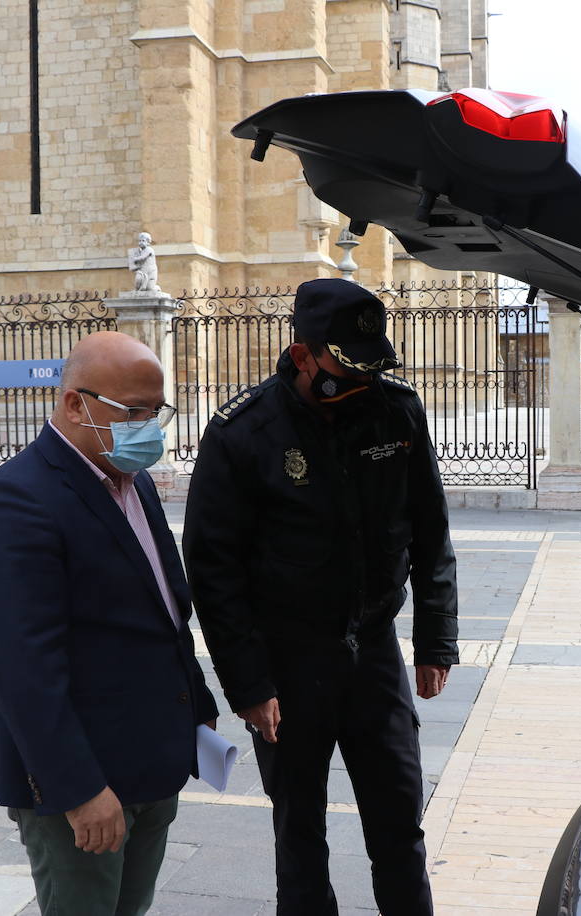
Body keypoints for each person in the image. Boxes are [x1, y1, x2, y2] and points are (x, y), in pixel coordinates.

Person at [183, 278, 459, 915]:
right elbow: (213, 570)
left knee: (399, 822)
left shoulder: (397, 411)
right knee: (299, 831)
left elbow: (429, 529)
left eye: (370, 367)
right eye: (345, 366)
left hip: (375, 655)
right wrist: (249, 685)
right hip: (289, 661)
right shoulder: (242, 433)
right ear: (302, 354)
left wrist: (435, 638)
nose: (360, 381)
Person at [0, 331, 217, 916]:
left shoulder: (134, 481)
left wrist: (195, 712)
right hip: (85, 780)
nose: (151, 426)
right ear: (75, 403)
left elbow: (165, 611)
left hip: (152, 759)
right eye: (134, 412)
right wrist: (78, 790)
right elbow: (22, 669)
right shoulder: (13, 503)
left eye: (158, 411)